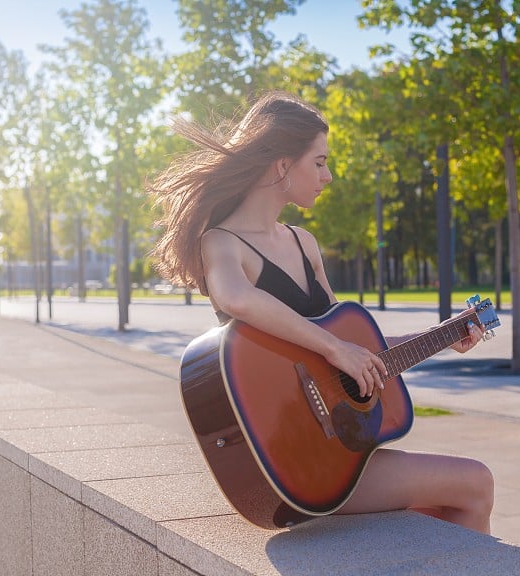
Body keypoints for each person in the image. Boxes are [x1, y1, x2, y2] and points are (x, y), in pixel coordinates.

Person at [148, 90, 494, 534]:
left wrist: (442, 336)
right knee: (476, 484)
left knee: (446, 514)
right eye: (319, 162)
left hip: (338, 451)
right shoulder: (222, 242)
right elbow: (238, 300)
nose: (328, 176)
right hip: (294, 465)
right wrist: (335, 349)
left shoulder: (304, 243)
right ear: (282, 166)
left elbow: (355, 352)